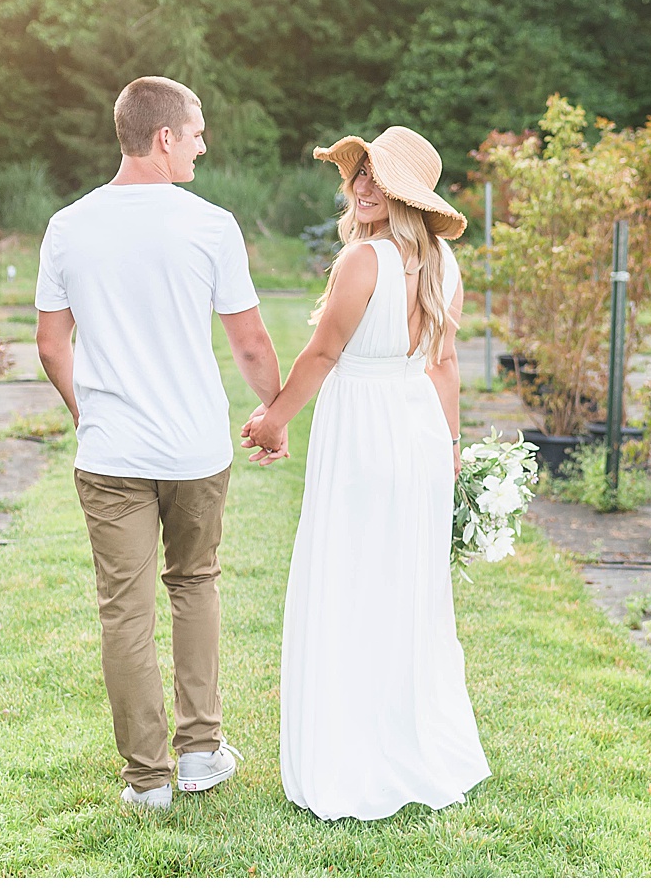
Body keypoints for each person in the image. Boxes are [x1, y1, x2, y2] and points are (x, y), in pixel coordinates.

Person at [35, 75, 289, 813]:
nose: (205, 144)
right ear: (165, 138)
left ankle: (147, 781)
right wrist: (271, 411)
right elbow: (248, 341)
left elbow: (53, 346)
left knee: (125, 612)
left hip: (111, 454)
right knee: (196, 583)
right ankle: (203, 753)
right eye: (198, 131)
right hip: (193, 450)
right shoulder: (211, 225)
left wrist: (91, 414)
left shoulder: (67, 226)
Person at [240, 125, 491, 821]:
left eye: (378, 177)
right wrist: (448, 447)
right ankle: (406, 742)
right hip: (414, 432)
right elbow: (441, 366)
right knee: (404, 588)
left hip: (364, 433)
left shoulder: (363, 260)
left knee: (351, 582)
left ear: (406, 193)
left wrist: (275, 419)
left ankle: (356, 757)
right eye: (359, 175)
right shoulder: (444, 265)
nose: (362, 186)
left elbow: (321, 355)